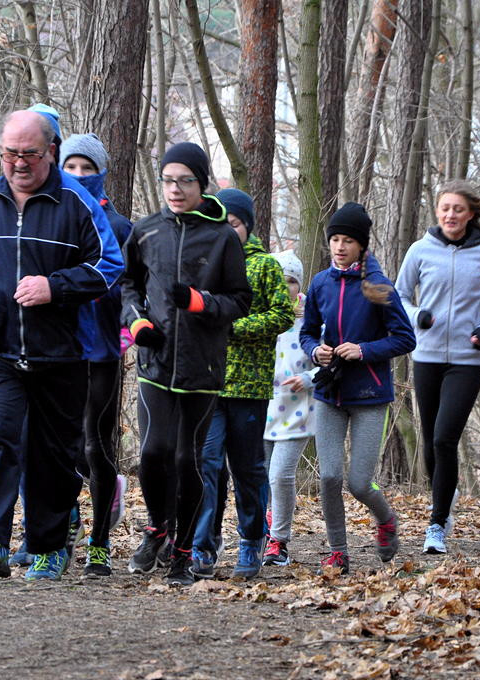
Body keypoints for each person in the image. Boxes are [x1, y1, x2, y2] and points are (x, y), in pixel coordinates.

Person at [0, 110, 124, 581]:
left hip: (60, 355)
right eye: (10, 154)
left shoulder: (78, 204)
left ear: (51, 151)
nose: (19, 163)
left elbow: (109, 266)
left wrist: (55, 287)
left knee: (53, 456)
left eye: (30, 155)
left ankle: (48, 545)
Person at [120, 142, 252, 586]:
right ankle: (158, 527)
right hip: (155, 359)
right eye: (168, 180)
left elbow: (240, 301)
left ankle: (183, 551)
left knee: (187, 458)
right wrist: (137, 324)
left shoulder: (222, 237)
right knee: (153, 452)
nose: (175, 189)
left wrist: (200, 302)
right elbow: (126, 285)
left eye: (185, 181)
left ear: (202, 184)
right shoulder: (146, 230)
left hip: (201, 366)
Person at [394, 180, 480, 555]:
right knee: (432, 444)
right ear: (437, 210)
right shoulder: (420, 249)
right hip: (426, 356)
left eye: (458, 209)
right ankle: (446, 494)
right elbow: (398, 296)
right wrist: (419, 316)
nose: (450, 214)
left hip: (467, 359)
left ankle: (436, 525)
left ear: (471, 214)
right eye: (445, 207)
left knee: (445, 438)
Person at [300, 202, 416, 574]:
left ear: (361, 245)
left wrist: (364, 350)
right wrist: (314, 350)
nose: (339, 246)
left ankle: (385, 520)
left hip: (370, 395)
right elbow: (306, 332)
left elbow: (404, 338)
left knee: (360, 483)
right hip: (330, 392)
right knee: (329, 477)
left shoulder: (378, 287)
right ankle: (338, 551)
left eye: (347, 240)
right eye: (334, 239)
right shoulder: (319, 283)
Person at [189, 188, 294, 580]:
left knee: (248, 469)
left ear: (246, 226)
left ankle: (251, 541)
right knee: (207, 463)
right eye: (221, 223)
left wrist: (234, 327)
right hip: (208, 383)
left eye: (233, 224)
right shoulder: (205, 262)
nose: (227, 231)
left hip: (249, 387)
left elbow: (282, 315)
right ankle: (202, 545)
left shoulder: (264, 266)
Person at [60, 133, 134, 577]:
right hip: (60, 351)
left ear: (102, 172)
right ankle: (64, 528)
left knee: (94, 442)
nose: (80, 175)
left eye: (88, 168)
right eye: (72, 167)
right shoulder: (54, 223)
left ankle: (100, 544)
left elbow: (133, 288)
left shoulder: (122, 227)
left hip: (105, 350)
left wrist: (127, 333)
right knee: (62, 448)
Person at [262, 250, 317, 567]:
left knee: (281, 475)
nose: (284, 289)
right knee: (261, 476)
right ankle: (263, 528)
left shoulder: (311, 318)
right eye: (278, 282)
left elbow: (327, 360)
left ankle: (279, 542)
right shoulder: (262, 312)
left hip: (297, 411)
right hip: (260, 405)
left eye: (290, 282)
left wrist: (308, 378)